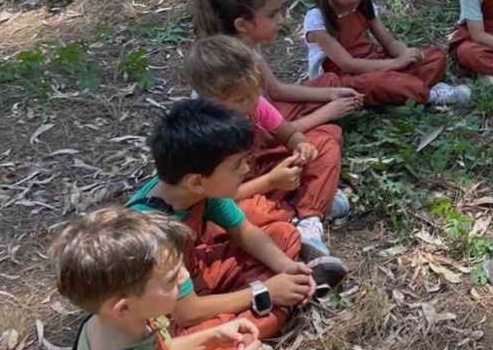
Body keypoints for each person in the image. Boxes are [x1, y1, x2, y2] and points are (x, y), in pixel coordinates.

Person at [127, 98, 347, 340]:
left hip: (196, 275)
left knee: (284, 235)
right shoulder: (152, 233)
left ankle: (277, 299)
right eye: (236, 165)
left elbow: (245, 231)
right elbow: (185, 311)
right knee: (214, 336)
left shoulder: (201, 191)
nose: (245, 169)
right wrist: (266, 291)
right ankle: (273, 306)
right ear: (197, 181)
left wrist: (289, 269)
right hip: (170, 311)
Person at [186, 35, 345, 258]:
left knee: (326, 141)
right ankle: (305, 198)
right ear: (209, 100)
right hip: (237, 194)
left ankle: (309, 218)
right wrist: (270, 181)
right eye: (242, 99)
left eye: (255, 93)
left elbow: (289, 133)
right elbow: (217, 200)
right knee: (231, 222)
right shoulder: (205, 136)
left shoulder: (256, 105)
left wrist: (301, 146)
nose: (252, 102)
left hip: (261, 168)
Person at [51, 207, 263, 350]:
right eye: (171, 279)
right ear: (123, 308)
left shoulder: (115, 323)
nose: (185, 277)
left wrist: (214, 335)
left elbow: (164, 345)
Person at [191, 0, 365, 138]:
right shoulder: (233, 66)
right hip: (247, 141)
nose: (281, 19)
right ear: (242, 25)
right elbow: (264, 134)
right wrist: (326, 113)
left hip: (264, 117)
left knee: (330, 82)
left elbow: (276, 90)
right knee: (327, 137)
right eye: (272, 15)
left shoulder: (247, 46)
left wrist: (331, 94)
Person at [304, 0, 471, 106]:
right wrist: (395, 64)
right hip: (348, 78)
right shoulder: (317, 21)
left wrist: (407, 55)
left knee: (435, 55)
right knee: (378, 81)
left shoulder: (363, 6)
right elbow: (348, 64)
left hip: (378, 63)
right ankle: (429, 95)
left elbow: (389, 42)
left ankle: (404, 91)